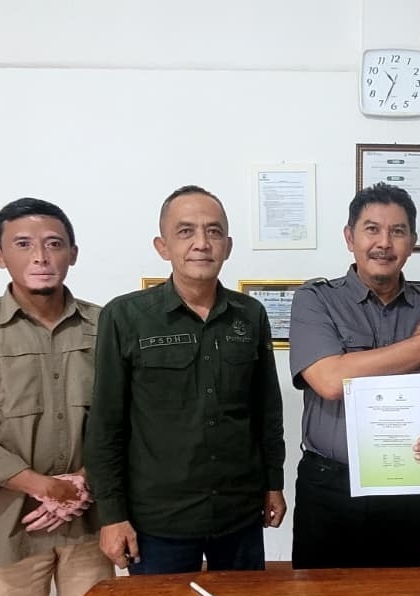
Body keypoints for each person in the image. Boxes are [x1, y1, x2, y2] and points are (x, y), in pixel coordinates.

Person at [84, 185, 285, 574]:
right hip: (158, 521)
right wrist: (112, 515)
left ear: (228, 245)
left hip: (239, 513)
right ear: (162, 246)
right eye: (186, 231)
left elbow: (267, 411)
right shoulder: (125, 317)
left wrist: (272, 482)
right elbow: (106, 424)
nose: (202, 243)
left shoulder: (250, 315)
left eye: (214, 231)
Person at [288, 182, 420, 569]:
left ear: (412, 242)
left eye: (397, 231)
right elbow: (330, 380)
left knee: (405, 589)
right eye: (372, 229)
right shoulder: (316, 300)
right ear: (350, 237)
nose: (384, 243)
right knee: (320, 591)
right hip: (329, 485)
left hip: (410, 483)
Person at [0, 198, 112, 595]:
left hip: (89, 518)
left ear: (73, 253)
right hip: (7, 524)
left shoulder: (106, 326)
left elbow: (125, 418)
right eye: (22, 244)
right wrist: (43, 487)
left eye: (53, 243)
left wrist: (85, 482)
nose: (40, 257)